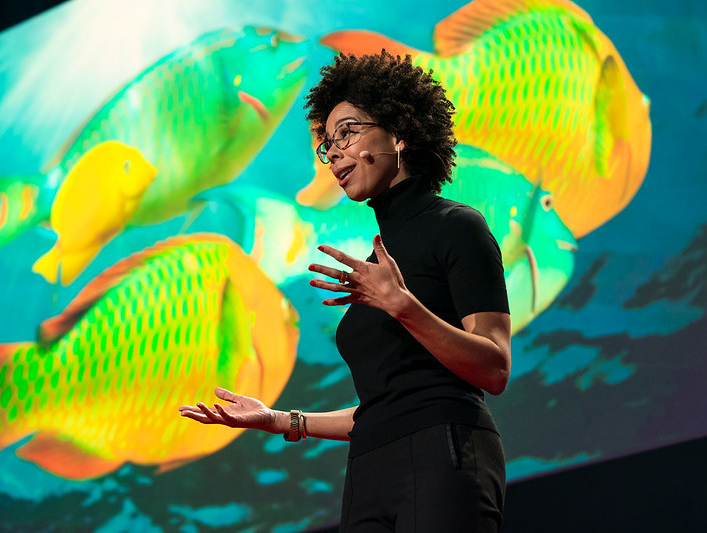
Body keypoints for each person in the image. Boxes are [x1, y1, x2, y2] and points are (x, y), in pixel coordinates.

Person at [179, 51, 511, 532]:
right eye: (327, 143)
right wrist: (280, 420)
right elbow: (385, 408)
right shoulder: (380, 260)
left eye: (348, 132)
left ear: (399, 133)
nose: (333, 152)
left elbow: (494, 368)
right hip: (370, 469)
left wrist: (402, 306)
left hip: (447, 449)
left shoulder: (458, 228)